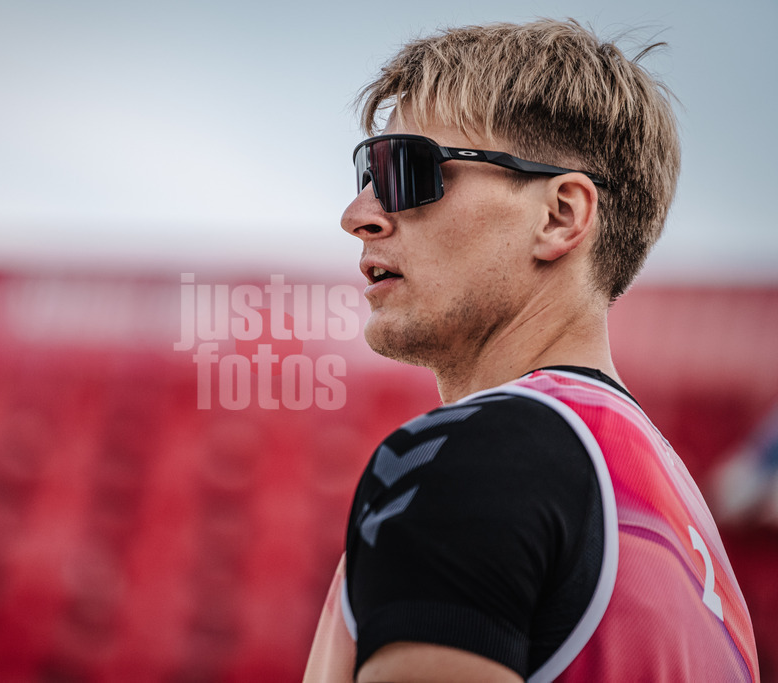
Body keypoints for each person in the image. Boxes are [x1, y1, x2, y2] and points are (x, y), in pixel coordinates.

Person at [303, 18, 759, 683]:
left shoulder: (468, 456)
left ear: (560, 215)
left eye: (407, 169)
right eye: (367, 171)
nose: (359, 213)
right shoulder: (695, 542)